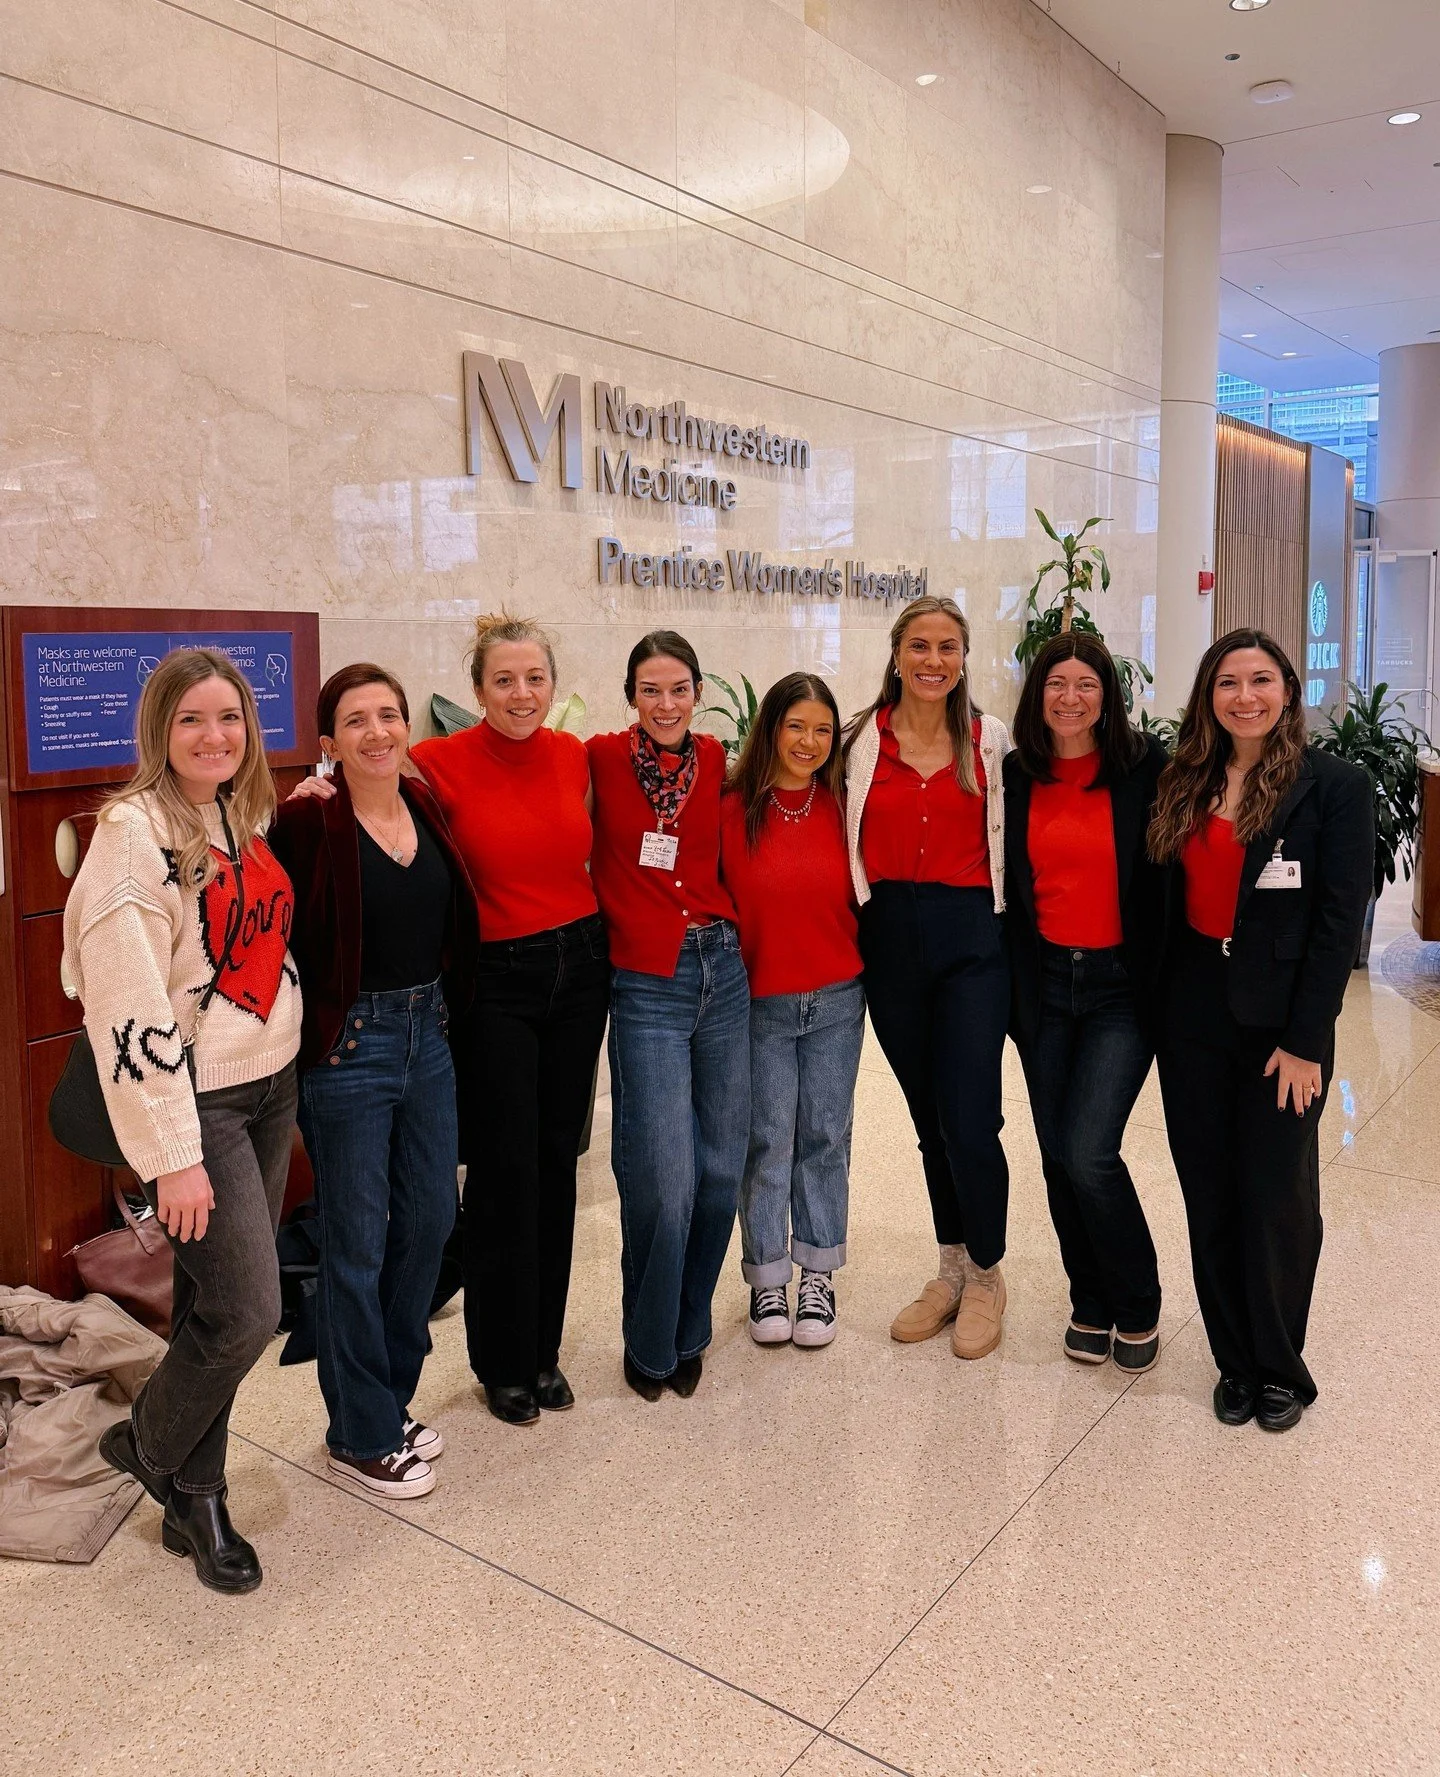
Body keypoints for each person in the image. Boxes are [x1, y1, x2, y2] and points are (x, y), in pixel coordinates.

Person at [288, 617, 609, 1429]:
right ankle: (501, 1361)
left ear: (553, 682)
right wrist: (311, 784)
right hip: (494, 984)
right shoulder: (435, 760)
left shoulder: (573, 757)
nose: (521, 694)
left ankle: (543, 1350)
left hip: (580, 971)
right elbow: (359, 777)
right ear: (476, 691)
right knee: (503, 1173)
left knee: (556, 1164)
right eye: (503, 680)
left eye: (534, 677)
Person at [69, 648, 302, 1594]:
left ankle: (197, 1497)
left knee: (215, 1304)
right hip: (201, 1103)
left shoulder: (243, 811)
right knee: (252, 1309)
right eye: (192, 720)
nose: (215, 737)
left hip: (271, 1082)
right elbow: (125, 1009)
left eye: (231, 719)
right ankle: (147, 1442)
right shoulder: (133, 832)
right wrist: (171, 1156)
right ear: (159, 732)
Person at [1148, 629, 1373, 1432]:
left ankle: (1280, 1365)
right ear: (1208, 693)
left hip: (1283, 1021)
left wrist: (1308, 1040)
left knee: (1277, 1193)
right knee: (1208, 1187)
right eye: (1228, 682)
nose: (1245, 696)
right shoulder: (1185, 779)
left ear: (1287, 689)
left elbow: (1340, 921)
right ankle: (1234, 1360)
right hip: (1193, 1011)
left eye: (1261, 680)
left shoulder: (1334, 786)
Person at [269, 665, 478, 1498]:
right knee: (356, 1240)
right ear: (329, 743)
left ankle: (384, 1398)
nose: (378, 730)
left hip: (427, 1034)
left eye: (389, 714)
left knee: (429, 1219)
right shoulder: (308, 821)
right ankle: (360, 1429)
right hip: (350, 1047)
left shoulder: (422, 805)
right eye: (355, 720)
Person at [842, 596, 1012, 1359]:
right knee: (927, 1121)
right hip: (890, 942)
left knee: (971, 1117)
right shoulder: (859, 740)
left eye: (947, 646)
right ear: (898, 651)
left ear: (964, 656)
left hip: (972, 939)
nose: (933, 660)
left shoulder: (991, 740)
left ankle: (986, 1273)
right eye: (920, 645)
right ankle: (949, 1267)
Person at [588, 632, 749, 1400]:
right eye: (650, 690)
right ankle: (649, 1344)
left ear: (697, 691)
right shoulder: (596, 757)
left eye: (678, 688)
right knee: (664, 1175)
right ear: (630, 695)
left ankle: (690, 1327)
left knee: (720, 1168)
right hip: (647, 980)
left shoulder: (718, 759)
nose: (665, 704)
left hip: (724, 969)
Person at [1003, 634, 1168, 1372]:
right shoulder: (1016, 774)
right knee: (1055, 1157)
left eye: (1087, 684)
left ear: (1109, 694)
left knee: (1089, 1151)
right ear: (1037, 694)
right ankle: (1089, 1301)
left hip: (1119, 990)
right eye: (1056, 684)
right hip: (1044, 985)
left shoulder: (1146, 769)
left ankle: (1137, 1298)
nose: (1071, 697)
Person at [720, 673, 864, 1349]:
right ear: (771, 726)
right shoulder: (732, 806)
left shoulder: (845, 802)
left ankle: (816, 1271)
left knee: (825, 1137)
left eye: (822, 730)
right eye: (796, 725)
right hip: (759, 1001)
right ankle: (767, 1275)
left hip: (838, 996)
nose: (808, 741)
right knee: (768, 1139)